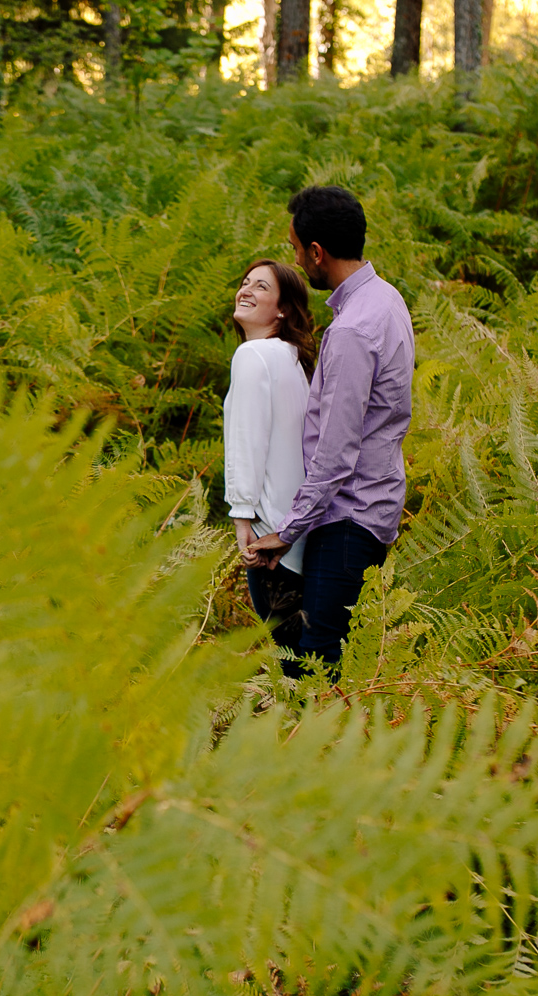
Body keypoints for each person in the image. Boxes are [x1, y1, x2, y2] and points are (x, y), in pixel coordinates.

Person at [245, 185, 414, 679]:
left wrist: (287, 532)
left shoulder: (350, 333)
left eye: (297, 250)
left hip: (347, 521)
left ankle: (318, 750)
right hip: (371, 507)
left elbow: (336, 455)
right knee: (326, 658)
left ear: (317, 252)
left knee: (313, 667)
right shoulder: (386, 299)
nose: (296, 260)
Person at [222, 259, 316, 651]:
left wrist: (242, 514)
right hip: (302, 534)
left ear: (283, 308)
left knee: (291, 664)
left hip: (269, 541)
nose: (245, 290)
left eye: (260, 286)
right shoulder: (292, 359)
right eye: (245, 282)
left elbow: (248, 438)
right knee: (308, 660)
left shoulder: (253, 355)